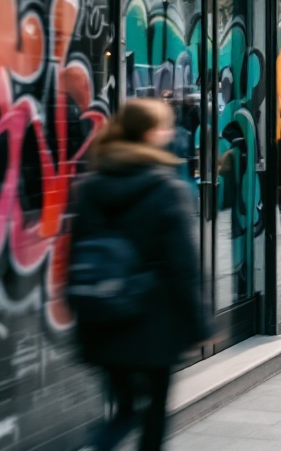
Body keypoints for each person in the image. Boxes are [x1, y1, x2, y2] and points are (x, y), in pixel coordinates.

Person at [71, 99, 209, 451]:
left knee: (123, 410)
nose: (169, 133)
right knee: (153, 413)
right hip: (153, 320)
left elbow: (75, 252)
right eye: (164, 127)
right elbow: (181, 266)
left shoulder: (90, 186)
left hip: (103, 316)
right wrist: (197, 325)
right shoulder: (166, 188)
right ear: (149, 134)